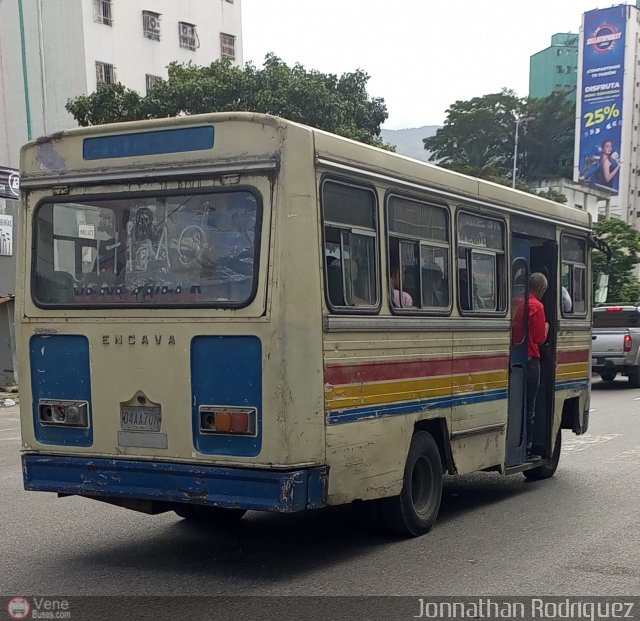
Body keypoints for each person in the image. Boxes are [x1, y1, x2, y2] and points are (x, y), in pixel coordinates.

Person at [526, 272, 549, 458]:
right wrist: (547, 328)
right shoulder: (537, 307)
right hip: (532, 360)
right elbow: (540, 338)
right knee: (530, 407)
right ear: (541, 289)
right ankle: (528, 449)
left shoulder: (518, 303)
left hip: (517, 360)